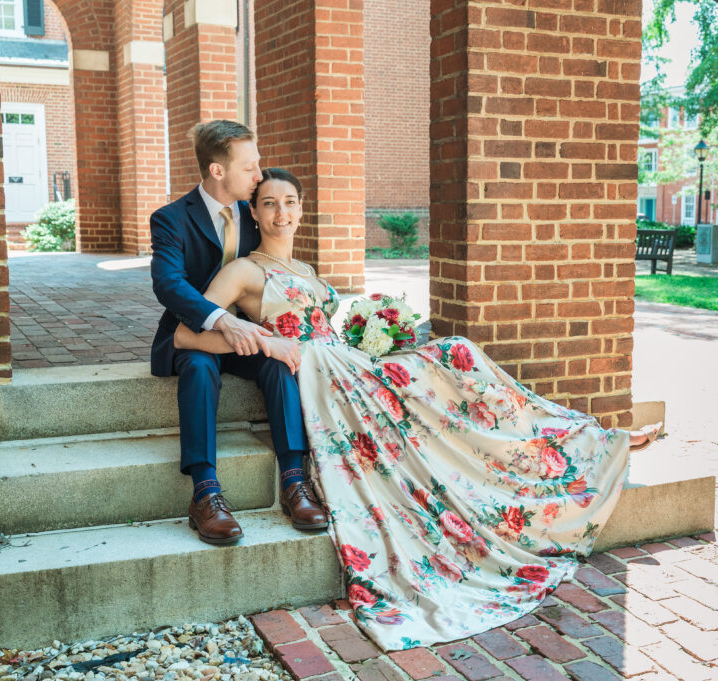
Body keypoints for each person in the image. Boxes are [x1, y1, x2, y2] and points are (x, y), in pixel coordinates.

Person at [173, 168, 662, 650]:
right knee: (452, 361)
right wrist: (263, 342)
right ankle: (583, 439)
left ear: (302, 209)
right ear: (253, 213)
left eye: (290, 202)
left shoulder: (309, 271)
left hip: (348, 361)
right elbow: (187, 333)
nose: (282, 212)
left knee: (458, 356)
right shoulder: (243, 269)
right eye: (270, 203)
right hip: (319, 372)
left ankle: (586, 438)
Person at [149, 122, 327, 547]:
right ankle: (205, 492)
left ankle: (294, 483)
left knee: (278, 364)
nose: (259, 175)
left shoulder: (254, 211)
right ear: (217, 171)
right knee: (198, 366)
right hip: (194, 333)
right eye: (250, 167)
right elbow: (169, 285)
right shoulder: (172, 219)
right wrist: (220, 319)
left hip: (249, 337)